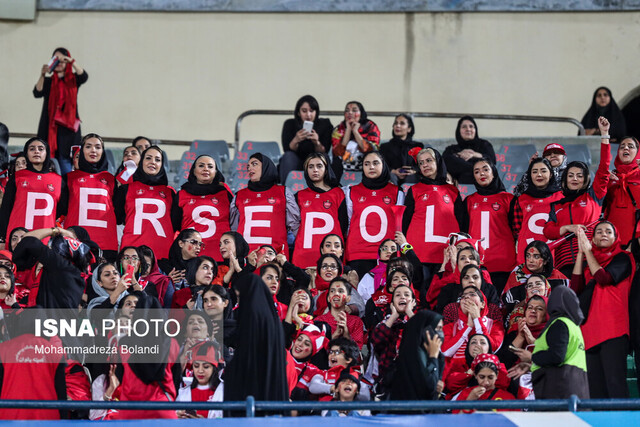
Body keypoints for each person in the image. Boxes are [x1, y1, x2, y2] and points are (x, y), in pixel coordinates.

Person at [572, 222, 634, 398]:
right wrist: (580, 252)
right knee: (595, 389)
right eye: (598, 232)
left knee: (615, 385)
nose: (603, 234)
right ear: (592, 239)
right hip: (590, 332)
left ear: (616, 237)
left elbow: (604, 278)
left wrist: (588, 252)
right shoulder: (590, 263)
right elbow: (575, 289)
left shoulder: (623, 258)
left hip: (614, 329)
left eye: (608, 231)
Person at [544, 117, 611, 277]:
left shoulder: (593, 195)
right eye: (571, 175)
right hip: (564, 263)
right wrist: (566, 228)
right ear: (565, 179)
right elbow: (548, 231)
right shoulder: (557, 205)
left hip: (592, 259)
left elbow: (604, 167)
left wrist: (605, 135)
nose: (575, 179)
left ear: (585, 179)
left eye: (579, 175)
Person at [224, 274, 288, 415]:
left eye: (241, 296)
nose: (240, 301)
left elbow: (247, 355)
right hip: (271, 387)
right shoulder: (272, 318)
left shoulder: (252, 316)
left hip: (252, 387)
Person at [512, 286, 589, 399]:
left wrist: (532, 357)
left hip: (560, 388)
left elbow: (557, 356)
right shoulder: (574, 326)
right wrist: (532, 365)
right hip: (576, 384)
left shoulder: (559, 324)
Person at [403, 148, 463, 281]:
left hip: (445, 255)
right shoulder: (414, 190)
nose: (424, 165)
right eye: (421, 162)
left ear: (438, 162)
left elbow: (462, 222)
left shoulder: (453, 191)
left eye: (429, 160)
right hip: (419, 255)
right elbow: (405, 221)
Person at [344, 151, 404, 278]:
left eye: (375, 163)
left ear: (384, 166)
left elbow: (400, 226)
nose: (371, 167)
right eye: (367, 164)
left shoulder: (397, 192)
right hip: (358, 253)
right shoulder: (351, 191)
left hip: (387, 254)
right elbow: (348, 223)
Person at [461, 158, 516, 293]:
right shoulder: (469, 201)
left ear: (494, 172)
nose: (482, 174)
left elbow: (517, 230)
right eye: (477, 171)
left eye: (486, 169)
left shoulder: (508, 199)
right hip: (477, 264)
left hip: (503, 262)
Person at [230, 153, 300, 254]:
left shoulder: (283, 193)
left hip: (275, 255)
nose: (250, 168)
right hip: (246, 256)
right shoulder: (239, 196)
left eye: (254, 164)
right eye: (248, 166)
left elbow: (295, 226)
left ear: (266, 166)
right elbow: (235, 229)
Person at [63, 133, 118, 259]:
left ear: (103, 151)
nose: (93, 150)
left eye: (98, 147)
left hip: (106, 244)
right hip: (75, 242)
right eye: (88, 146)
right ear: (81, 151)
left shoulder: (111, 180)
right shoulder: (68, 179)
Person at [0, 138, 67, 242]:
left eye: (41, 149)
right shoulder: (17, 177)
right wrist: (2, 237)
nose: (36, 151)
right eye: (32, 149)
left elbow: (61, 209)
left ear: (47, 153)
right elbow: (6, 209)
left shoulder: (58, 180)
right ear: (26, 153)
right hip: (17, 237)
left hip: (45, 238)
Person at [115, 146, 176, 260]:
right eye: (148, 158)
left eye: (157, 160)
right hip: (132, 255)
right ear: (141, 162)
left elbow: (176, 223)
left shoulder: (170, 193)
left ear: (162, 165)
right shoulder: (125, 189)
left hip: (163, 256)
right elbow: (118, 218)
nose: (153, 162)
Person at [33, 47, 88, 174]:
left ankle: (66, 187)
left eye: (61, 60)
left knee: (65, 160)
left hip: (68, 127)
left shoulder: (73, 79)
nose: (58, 63)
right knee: (48, 159)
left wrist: (71, 61)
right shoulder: (49, 81)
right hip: (50, 125)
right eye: (55, 60)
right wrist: (42, 74)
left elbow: (84, 76)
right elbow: (37, 92)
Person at [172, 155, 233, 262]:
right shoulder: (182, 194)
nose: (206, 169)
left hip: (220, 256)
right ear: (193, 171)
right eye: (201, 166)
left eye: (210, 166)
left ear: (216, 171)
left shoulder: (225, 194)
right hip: (190, 259)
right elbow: (175, 224)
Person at [293, 153, 347, 268]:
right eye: (311, 167)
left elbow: (343, 225)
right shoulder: (299, 196)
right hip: (303, 255)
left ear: (326, 169)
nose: (315, 170)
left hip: (332, 256)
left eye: (319, 166)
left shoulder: (338, 193)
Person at [510, 158, 563, 264]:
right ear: (530, 175)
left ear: (551, 174)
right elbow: (517, 230)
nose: (539, 175)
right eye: (534, 172)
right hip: (527, 258)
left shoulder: (561, 197)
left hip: (556, 256)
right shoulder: (521, 199)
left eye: (543, 171)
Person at [389, 310, 444, 404]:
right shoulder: (411, 354)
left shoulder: (437, 355)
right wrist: (433, 358)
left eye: (441, 329)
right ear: (424, 330)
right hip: (408, 413)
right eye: (437, 328)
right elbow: (429, 387)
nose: (440, 334)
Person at [501, 240, 568, 315]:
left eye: (536, 256)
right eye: (528, 256)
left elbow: (568, 301)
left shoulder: (557, 277)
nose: (531, 260)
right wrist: (527, 301)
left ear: (545, 261)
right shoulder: (517, 274)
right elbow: (506, 308)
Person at [279, 95, 334, 183]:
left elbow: (324, 151)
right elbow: (287, 149)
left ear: (316, 112)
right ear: (298, 112)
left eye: (311, 111)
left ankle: (323, 189)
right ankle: (286, 189)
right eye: (304, 111)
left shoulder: (325, 124)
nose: (308, 115)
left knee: (323, 157)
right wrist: (296, 140)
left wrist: (316, 142)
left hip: (315, 159)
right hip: (296, 160)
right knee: (288, 156)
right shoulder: (290, 124)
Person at [442, 287, 504, 363]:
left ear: (483, 304)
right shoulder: (449, 327)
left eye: (472, 294)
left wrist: (477, 319)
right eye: (463, 297)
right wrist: (468, 326)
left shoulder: (495, 325)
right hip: (456, 373)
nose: (467, 297)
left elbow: (493, 349)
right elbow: (446, 352)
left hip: (483, 371)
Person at [603, 134, 640, 245]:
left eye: (630, 146)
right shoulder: (610, 176)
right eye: (622, 146)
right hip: (611, 237)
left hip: (635, 237)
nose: (626, 148)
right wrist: (604, 181)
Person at [176, 342, 224, 419]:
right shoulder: (183, 392)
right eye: (196, 366)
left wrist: (205, 423)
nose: (200, 371)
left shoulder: (224, 391)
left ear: (214, 369)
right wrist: (176, 417)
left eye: (206, 367)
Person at [442, 116, 496, 185]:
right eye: (464, 127)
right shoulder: (451, 149)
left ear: (475, 129)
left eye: (471, 126)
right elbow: (445, 163)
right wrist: (459, 155)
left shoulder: (484, 145)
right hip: (459, 189)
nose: (468, 129)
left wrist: (475, 155)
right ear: (459, 130)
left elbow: (492, 163)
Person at [314, 278, 365, 349]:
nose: (336, 294)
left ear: (348, 298)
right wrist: (335, 335)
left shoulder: (356, 322)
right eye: (332, 291)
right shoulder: (319, 321)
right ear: (328, 298)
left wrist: (346, 333)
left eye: (340, 291)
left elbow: (357, 351)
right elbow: (316, 349)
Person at [331, 101, 381, 173]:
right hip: (343, 165)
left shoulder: (370, 126)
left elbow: (372, 150)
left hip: (365, 164)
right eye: (347, 110)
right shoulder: (339, 129)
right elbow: (337, 153)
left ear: (361, 113)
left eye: (354, 110)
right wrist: (348, 130)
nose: (350, 113)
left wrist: (355, 132)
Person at [379, 114, 423, 186]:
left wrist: (413, 171)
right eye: (396, 123)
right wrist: (394, 171)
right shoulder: (385, 147)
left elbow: (422, 164)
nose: (398, 126)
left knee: (411, 177)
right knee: (390, 176)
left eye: (402, 123)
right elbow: (382, 164)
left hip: (412, 177)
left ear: (409, 128)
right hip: (392, 177)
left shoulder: (417, 146)